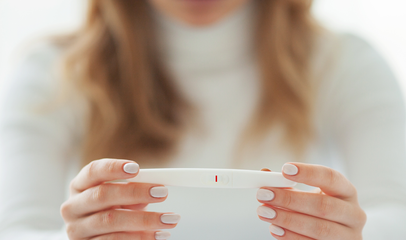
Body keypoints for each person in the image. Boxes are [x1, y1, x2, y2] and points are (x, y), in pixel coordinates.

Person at [0, 0, 406, 239]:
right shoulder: (51, 74)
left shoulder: (345, 62)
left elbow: (397, 211)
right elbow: (17, 229)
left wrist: (355, 233)